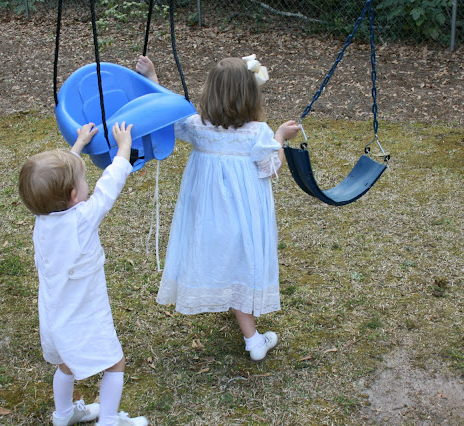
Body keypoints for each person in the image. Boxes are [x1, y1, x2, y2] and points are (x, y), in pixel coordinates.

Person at [136, 55, 301, 362]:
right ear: (250, 95)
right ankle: (253, 340)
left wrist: (152, 78)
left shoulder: (197, 126)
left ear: (209, 92)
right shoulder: (258, 132)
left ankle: (239, 314)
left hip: (207, 215)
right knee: (241, 261)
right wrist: (280, 137)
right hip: (244, 214)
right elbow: (270, 166)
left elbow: (167, 117)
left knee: (221, 257)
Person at [18, 122, 148, 426]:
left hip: (55, 317)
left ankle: (63, 414)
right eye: (84, 180)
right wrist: (124, 149)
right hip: (84, 314)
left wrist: (77, 145)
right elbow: (109, 187)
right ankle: (109, 420)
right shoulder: (82, 219)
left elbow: (57, 182)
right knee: (115, 363)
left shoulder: (42, 219)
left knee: (66, 364)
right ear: (75, 195)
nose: (89, 184)